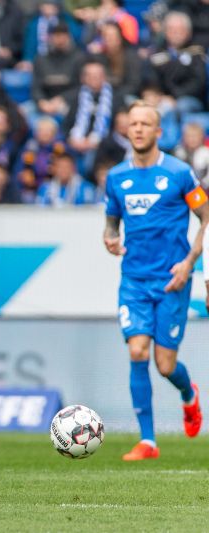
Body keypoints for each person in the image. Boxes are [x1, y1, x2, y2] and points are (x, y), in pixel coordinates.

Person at [103, 100, 209, 461]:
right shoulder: (116, 176)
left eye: (145, 124)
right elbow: (111, 220)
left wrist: (189, 264)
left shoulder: (179, 173)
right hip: (133, 280)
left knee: (165, 366)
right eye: (133, 123)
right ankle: (148, 441)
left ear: (158, 132)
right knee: (137, 351)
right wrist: (109, 237)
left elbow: (206, 219)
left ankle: (189, 395)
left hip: (171, 282)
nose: (138, 129)